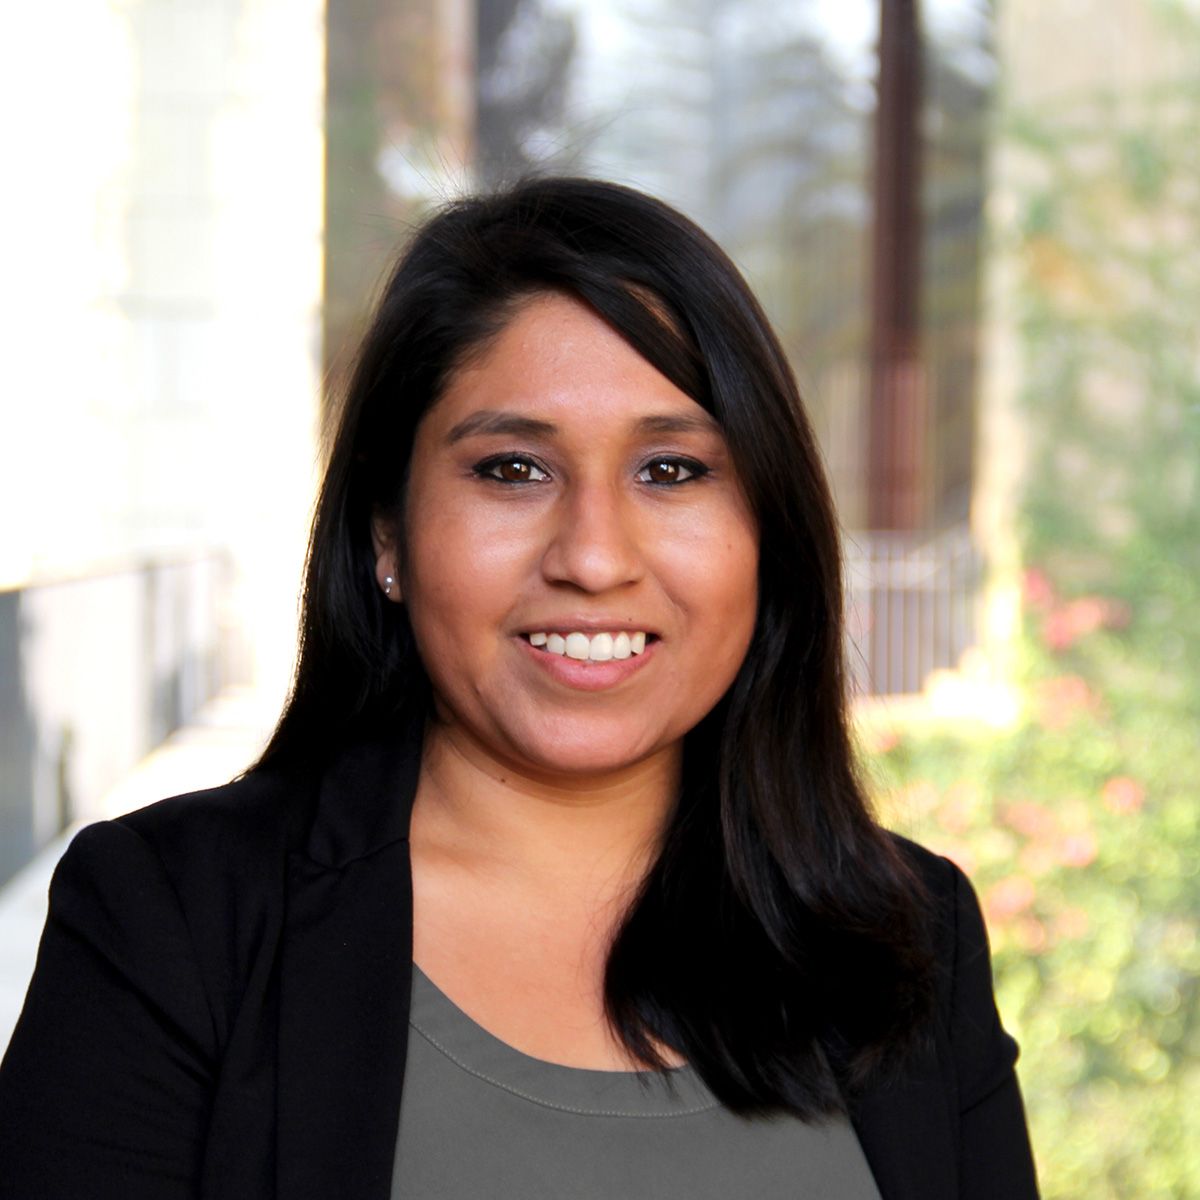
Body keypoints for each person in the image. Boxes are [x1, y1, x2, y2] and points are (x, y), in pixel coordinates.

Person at [0, 177, 1039, 1199]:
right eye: (512, 469)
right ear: (385, 532)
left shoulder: (911, 935)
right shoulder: (175, 922)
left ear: (769, 533)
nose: (593, 557)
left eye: (671, 470)